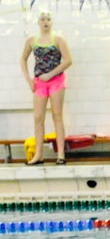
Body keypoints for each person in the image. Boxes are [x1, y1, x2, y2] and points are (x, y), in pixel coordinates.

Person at [19, 11, 72, 165]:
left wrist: (50, 74)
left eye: (48, 19)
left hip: (56, 80)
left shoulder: (58, 39)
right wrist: (29, 79)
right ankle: (38, 154)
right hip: (39, 82)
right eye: (42, 19)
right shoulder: (31, 40)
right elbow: (22, 59)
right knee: (38, 118)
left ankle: (61, 154)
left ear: (52, 22)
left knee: (57, 115)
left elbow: (68, 61)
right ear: (38, 22)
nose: (46, 22)